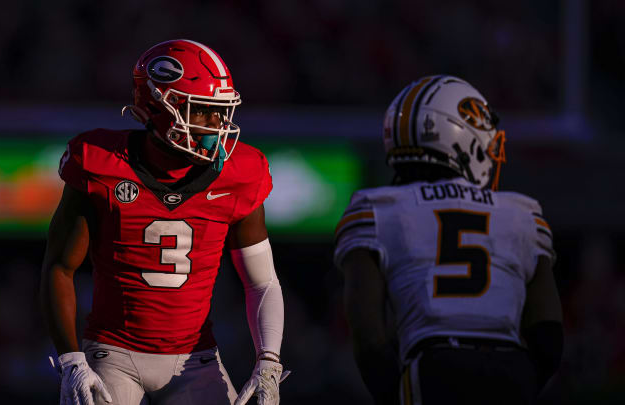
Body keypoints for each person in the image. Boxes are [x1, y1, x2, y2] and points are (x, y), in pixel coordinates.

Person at [40, 39, 287, 405]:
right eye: (203, 111)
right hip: (113, 355)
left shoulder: (239, 173)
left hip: (196, 361)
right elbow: (59, 267)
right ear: (158, 108)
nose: (217, 126)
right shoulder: (100, 162)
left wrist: (269, 362)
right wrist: (72, 359)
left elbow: (262, 282)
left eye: (221, 113)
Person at [334, 75, 563, 405]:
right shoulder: (522, 213)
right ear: (460, 139)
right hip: (511, 370)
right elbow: (548, 335)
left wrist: (393, 394)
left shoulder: (377, 209)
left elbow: (369, 336)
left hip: (433, 367)